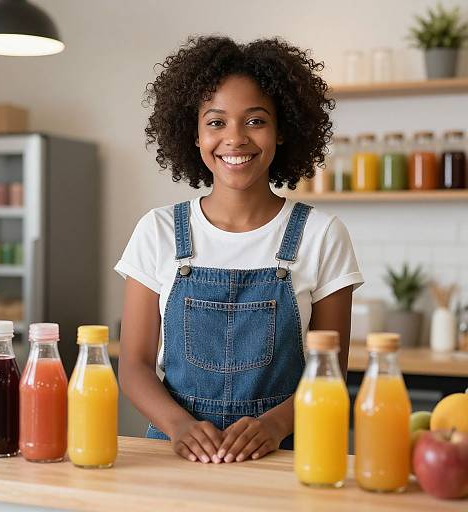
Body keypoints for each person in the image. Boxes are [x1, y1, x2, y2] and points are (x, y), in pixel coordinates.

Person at [115, 36, 363, 465]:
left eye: (255, 121)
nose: (235, 138)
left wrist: (275, 425)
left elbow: (332, 371)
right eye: (216, 122)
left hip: (284, 455)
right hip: (174, 453)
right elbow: (134, 364)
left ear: (283, 130)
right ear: (193, 134)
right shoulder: (157, 230)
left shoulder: (322, 234)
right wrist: (180, 427)